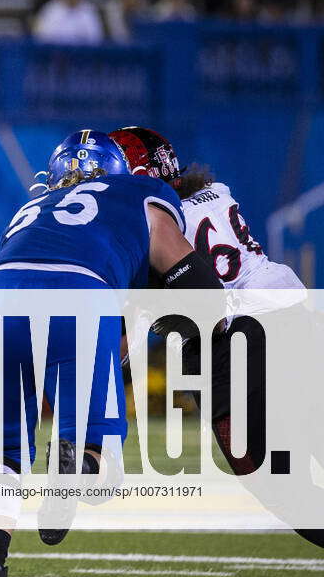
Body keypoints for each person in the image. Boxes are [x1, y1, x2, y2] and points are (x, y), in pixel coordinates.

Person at [0, 130, 223, 577]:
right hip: (80, 292)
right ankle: (79, 463)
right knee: (105, 470)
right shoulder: (144, 192)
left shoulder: (33, 207)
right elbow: (192, 278)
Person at [109, 126, 323, 549]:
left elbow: (134, 330)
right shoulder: (216, 191)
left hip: (233, 341)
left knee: (276, 482)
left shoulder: (148, 222)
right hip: (295, 313)